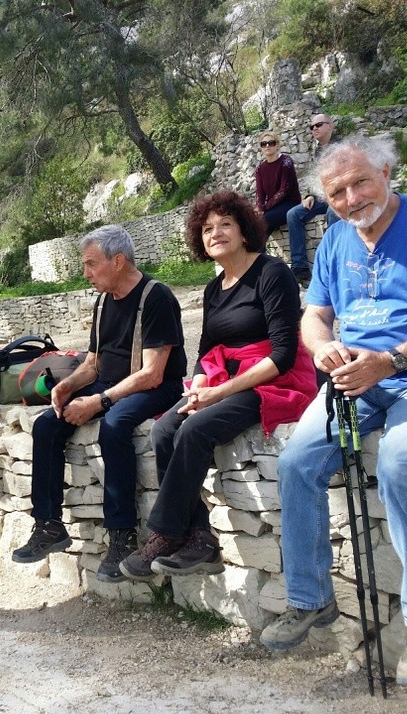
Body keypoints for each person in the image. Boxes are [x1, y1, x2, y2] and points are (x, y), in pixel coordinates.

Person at [259, 136, 407, 687]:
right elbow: (315, 316)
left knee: (402, 462)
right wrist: (323, 347)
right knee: (296, 463)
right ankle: (310, 599)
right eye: (336, 191)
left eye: (360, 182)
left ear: (387, 172)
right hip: (357, 379)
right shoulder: (335, 240)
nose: (351, 197)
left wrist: (391, 360)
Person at [119, 191, 317, 581]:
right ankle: (198, 537)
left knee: (194, 429)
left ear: (245, 231)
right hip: (225, 380)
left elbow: (283, 354)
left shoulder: (272, 273)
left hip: (274, 380)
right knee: (163, 430)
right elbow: (207, 348)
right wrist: (198, 386)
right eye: (207, 228)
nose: (216, 233)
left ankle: (163, 534)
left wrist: (219, 393)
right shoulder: (213, 289)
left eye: (225, 223)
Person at [11, 225, 187, 582]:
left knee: (115, 425)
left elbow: (153, 374)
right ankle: (48, 526)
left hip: (157, 386)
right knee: (46, 424)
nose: (86, 273)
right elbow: (92, 363)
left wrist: (98, 401)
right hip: (112, 383)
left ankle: (121, 535)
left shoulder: (156, 297)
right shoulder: (104, 299)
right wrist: (66, 386)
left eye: (92, 264)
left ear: (118, 261)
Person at [285, 113, 340, 287]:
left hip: (340, 196)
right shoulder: (317, 150)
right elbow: (314, 176)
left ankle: (333, 265)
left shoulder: (342, 146)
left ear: (330, 125)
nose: (314, 129)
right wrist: (309, 195)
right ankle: (300, 269)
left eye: (318, 125)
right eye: (312, 127)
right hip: (322, 197)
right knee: (293, 214)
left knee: (333, 214)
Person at [254, 130, 301, 237]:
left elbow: (284, 191)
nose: (267, 146)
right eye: (263, 144)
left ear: (277, 146)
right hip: (272, 207)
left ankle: (258, 252)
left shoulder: (286, 162)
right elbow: (260, 194)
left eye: (271, 143)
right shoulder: (260, 167)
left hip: (290, 204)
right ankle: (256, 252)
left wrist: (265, 208)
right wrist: (260, 208)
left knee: (264, 221)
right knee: (254, 221)